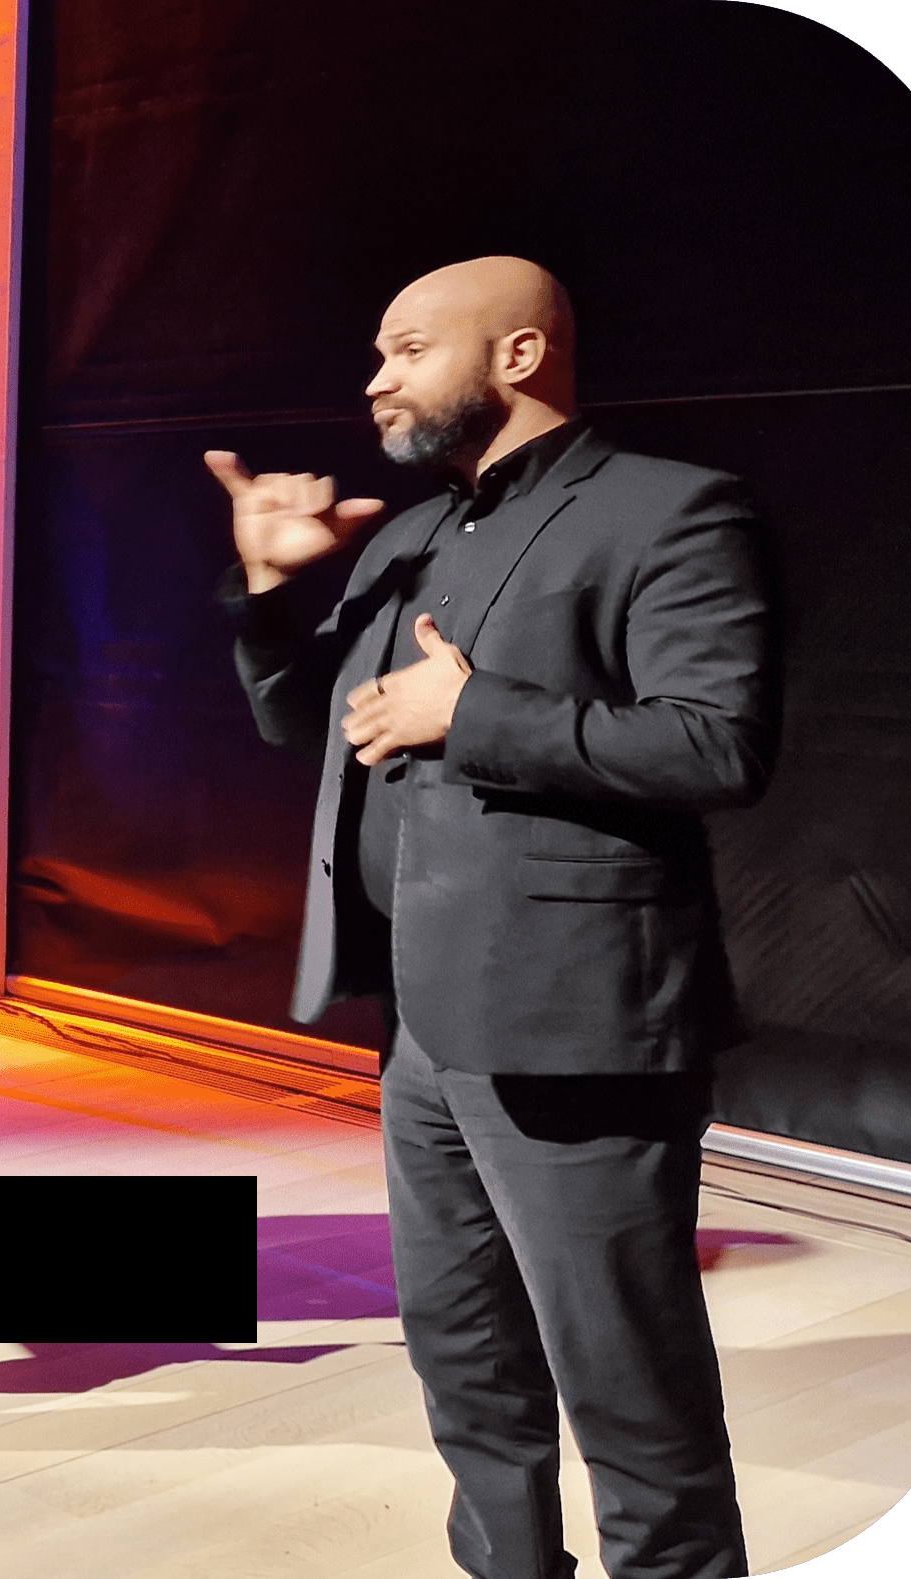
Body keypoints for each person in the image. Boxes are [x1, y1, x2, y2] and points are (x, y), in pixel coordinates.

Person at [210, 257, 774, 1579]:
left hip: (578, 1027)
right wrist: (270, 589)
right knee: (463, 1357)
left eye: (404, 348)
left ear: (514, 356)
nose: (374, 377)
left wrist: (475, 715)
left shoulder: (671, 510)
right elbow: (304, 720)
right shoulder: (407, 535)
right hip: (423, 1023)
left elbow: (718, 743)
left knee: (628, 1389)